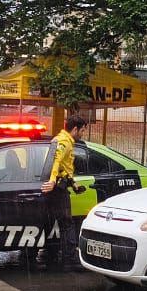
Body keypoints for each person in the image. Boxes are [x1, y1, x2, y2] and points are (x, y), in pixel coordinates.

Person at [40, 113, 88, 271]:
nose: (82, 134)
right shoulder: (63, 142)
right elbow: (56, 161)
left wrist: (73, 184)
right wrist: (52, 180)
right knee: (67, 224)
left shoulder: (62, 139)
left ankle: (50, 253)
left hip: (60, 185)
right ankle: (70, 259)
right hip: (57, 189)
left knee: (51, 222)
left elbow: (65, 166)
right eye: (82, 131)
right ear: (75, 129)